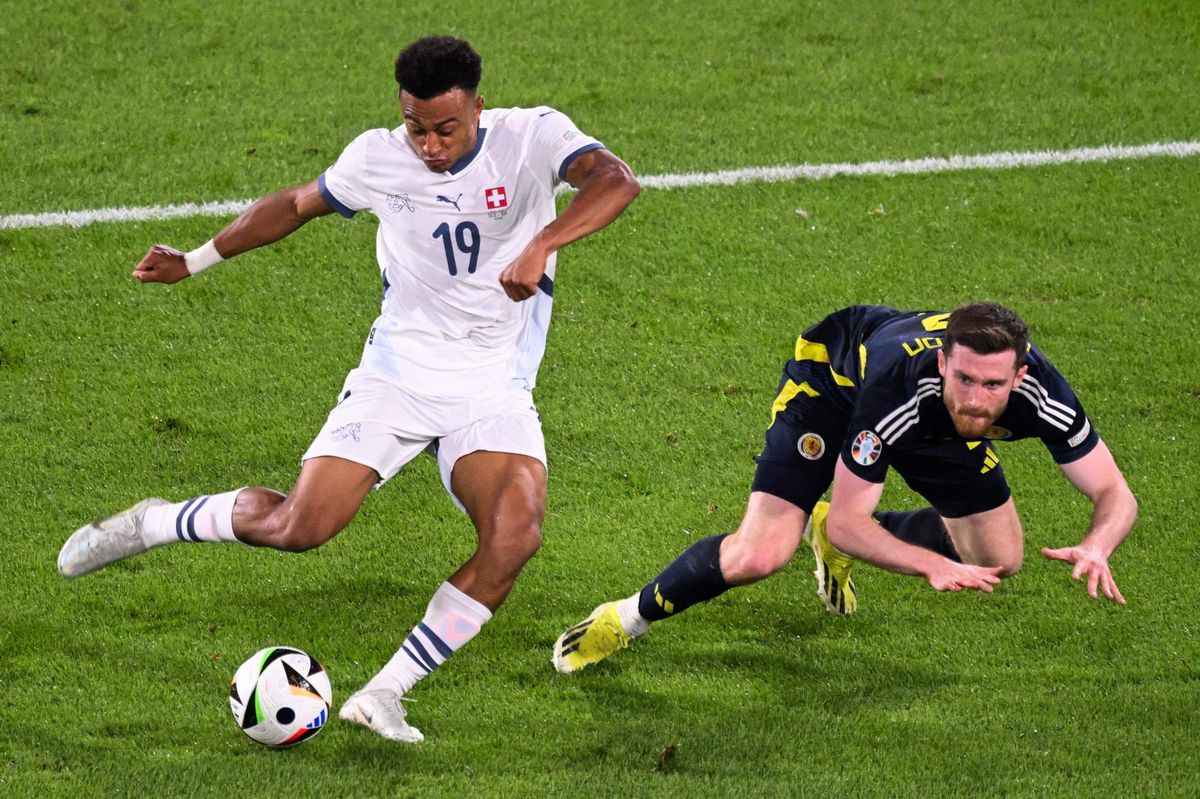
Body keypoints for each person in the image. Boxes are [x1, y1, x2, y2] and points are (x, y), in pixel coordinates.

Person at [57, 35, 640, 742]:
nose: (428, 144)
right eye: (416, 126)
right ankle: (154, 520)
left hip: (492, 387)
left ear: (479, 108)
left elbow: (616, 180)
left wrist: (544, 243)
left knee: (514, 536)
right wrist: (196, 259)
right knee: (300, 527)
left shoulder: (531, 137)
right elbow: (296, 205)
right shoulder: (377, 157)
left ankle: (387, 691)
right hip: (396, 377)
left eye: (445, 129)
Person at [553, 302, 1137, 673]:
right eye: (963, 378)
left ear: (1020, 375)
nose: (976, 398)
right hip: (832, 392)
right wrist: (926, 565)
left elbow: (1115, 494)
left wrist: (1098, 545)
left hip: (928, 429)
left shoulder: (1043, 394)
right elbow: (850, 523)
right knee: (762, 554)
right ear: (941, 364)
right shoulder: (896, 391)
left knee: (1000, 559)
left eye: (992, 385)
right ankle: (622, 619)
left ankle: (830, 545)